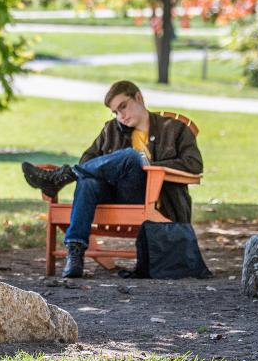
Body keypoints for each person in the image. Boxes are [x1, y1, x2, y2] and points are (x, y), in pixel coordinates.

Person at [21, 80, 204, 278]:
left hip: (154, 200)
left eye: (123, 107)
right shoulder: (112, 130)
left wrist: (149, 166)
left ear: (138, 97)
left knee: (132, 157)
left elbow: (193, 165)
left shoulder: (174, 129)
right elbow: (88, 161)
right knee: (88, 181)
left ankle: (63, 177)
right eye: (115, 112)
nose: (121, 116)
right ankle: (75, 253)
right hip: (115, 196)